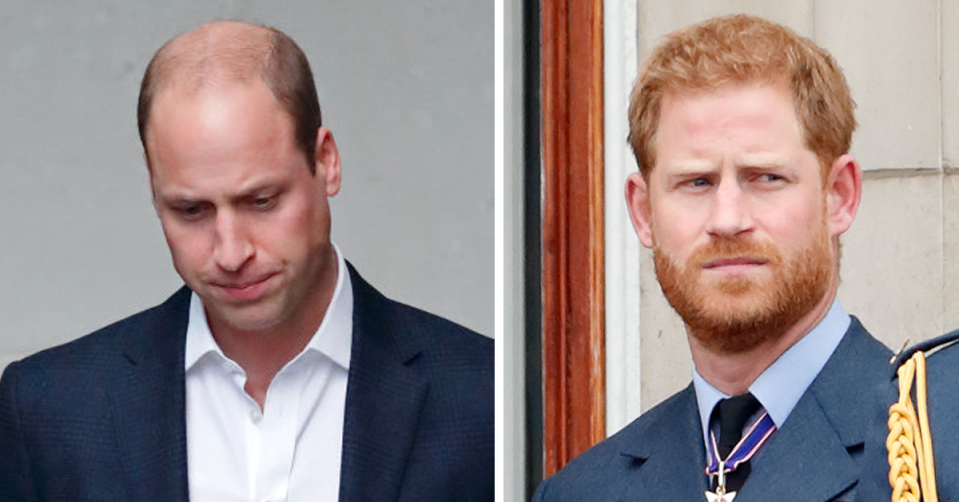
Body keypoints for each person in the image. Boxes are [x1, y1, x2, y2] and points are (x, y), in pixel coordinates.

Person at [0, 21, 492, 502]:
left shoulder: (485, 399)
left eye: (261, 201)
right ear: (153, 191)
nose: (231, 252)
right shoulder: (49, 410)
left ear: (326, 162)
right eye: (191, 210)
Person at [533, 14, 894, 502]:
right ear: (643, 212)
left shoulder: (933, 444)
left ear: (839, 196)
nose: (728, 219)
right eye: (696, 182)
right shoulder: (580, 493)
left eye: (765, 177)